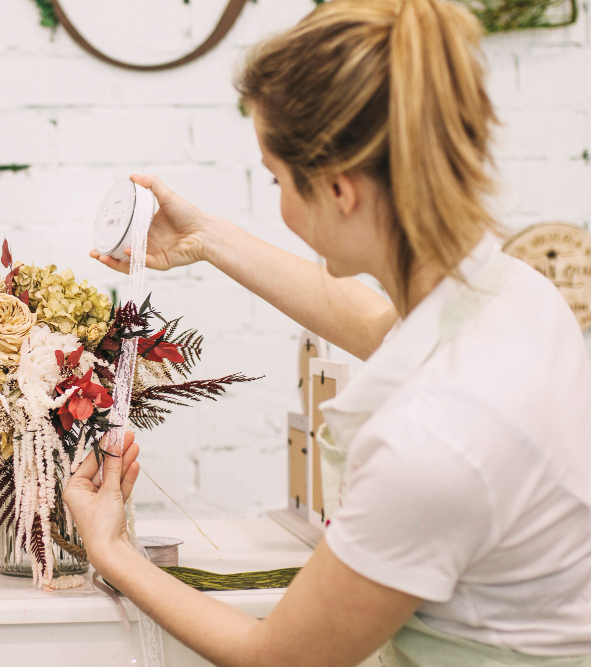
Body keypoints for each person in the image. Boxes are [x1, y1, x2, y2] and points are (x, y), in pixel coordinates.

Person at [62, 0, 591, 664]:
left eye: (277, 179)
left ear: (340, 190)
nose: (278, 197)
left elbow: (278, 657)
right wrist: (204, 239)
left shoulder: (434, 445)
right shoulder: (516, 294)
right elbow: (378, 325)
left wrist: (110, 548)